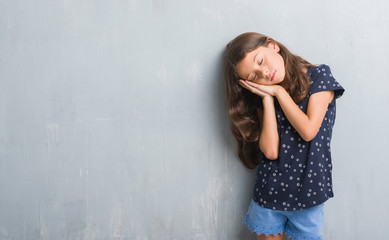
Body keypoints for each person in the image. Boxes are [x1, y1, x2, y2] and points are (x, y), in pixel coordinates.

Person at [223, 32, 345, 240]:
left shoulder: (319, 77)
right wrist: (268, 101)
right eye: (254, 76)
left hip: (309, 192)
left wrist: (279, 93)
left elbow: (308, 131)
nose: (263, 73)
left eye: (260, 61)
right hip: (269, 192)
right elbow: (270, 152)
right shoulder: (264, 97)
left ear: (272, 46)